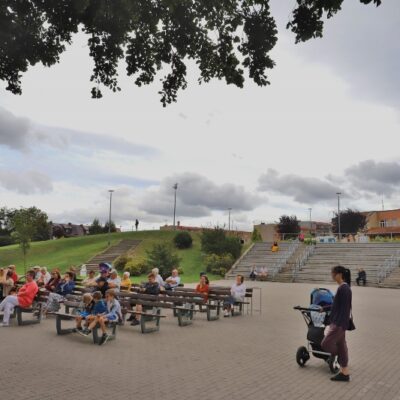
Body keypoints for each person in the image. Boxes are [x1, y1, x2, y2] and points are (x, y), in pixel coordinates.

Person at [321, 266, 353, 382]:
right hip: (340, 323)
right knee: (341, 346)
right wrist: (324, 308)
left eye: (333, 273)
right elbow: (337, 305)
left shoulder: (343, 289)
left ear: (339, 274)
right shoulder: (343, 287)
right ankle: (345, 373)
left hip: (339, 323)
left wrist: (339, 324)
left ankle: (337, 356)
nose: (332, 275)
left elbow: (345, 308)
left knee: (325, 343)